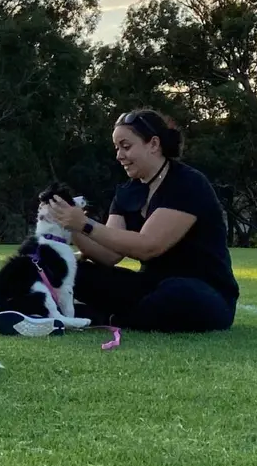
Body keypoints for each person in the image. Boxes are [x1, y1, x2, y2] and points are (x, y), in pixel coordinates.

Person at [42, 109, 238, 333]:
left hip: (203, 292)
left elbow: (148, 246)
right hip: (150, 286)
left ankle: (97, 317)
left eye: (126, 146)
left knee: (176, 294)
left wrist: (84, 224)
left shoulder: (187, 183)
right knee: (65, 269)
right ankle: (39, 307)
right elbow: (108, 254)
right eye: (117, 148)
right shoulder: (127, 191)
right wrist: (69, 223)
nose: (119, 155)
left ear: (153, 144)